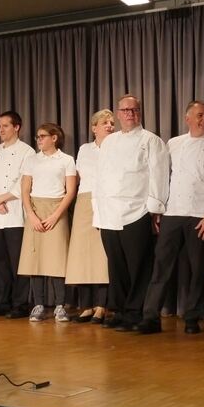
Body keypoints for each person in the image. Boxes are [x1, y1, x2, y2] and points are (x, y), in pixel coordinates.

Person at [139, 101, 204, 335]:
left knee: (198, 269)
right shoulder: (173, 144)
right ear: (187, 118)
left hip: (200, 215)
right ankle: (150, 316)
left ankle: (192, 318)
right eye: (200, 115)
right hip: (173, 212)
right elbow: (161, 177)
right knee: (161, 266)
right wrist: (157, 208)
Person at [94, 95, 170, 331]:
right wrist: (97, 210)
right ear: (118, 114)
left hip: (136, 211)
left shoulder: (151, 141)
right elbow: (100, 177)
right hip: (109, 212)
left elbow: (159, 176)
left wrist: (155, 210)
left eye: (134, 110)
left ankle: (136, 312)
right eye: (125, 110)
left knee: (139, 267)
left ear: (139, 113)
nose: (129, 114)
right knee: (116, 266)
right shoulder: (108, 142)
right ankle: (119, 309)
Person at [19, 123, 78, 321]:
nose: (39, 140)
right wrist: (31, 215)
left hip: (57, 209)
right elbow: (25, 190)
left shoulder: (67, 160)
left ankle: (60, 305)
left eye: (43, 136)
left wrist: (56, 215)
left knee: (57, 258)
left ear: (54, 138)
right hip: (35, 209)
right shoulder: (31, 160)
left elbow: (70, 191)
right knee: (35, 259)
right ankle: (38, 304)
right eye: (37, 137)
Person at [0, 111, 36, 318]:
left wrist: (1, 198)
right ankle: (2, 301)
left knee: (17, 262)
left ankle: (20, 304)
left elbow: (23, 183)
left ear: (17, 127)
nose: (1, 130)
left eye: (5, 126)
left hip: (15, 215)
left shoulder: (27, 151)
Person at [64, 109, 115, 323]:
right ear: (94, 127)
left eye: (112, 123)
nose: (110, 126)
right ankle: (86, 305)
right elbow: (79, 175)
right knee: (83, 254)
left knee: (101, 255)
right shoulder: (84, 149)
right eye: (105, 122)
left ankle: (102, 305)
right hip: (85, 200)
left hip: (107, 200)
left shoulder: (118, 147)